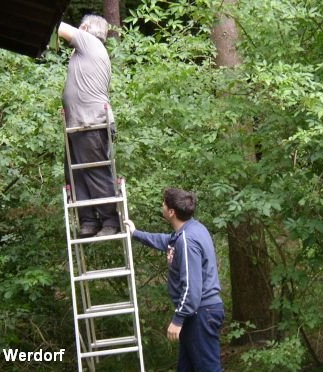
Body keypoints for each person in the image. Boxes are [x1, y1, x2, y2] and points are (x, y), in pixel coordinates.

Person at [125, 188, 224, 371]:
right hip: (197, 313)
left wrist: (178, 319)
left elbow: (192, 287)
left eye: (164, 203)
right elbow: (166, 241)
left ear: (171, 212)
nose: (161, 206)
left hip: (201, 313)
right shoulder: (189, 230)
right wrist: (135, 233)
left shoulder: (187, 240)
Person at [58, 15, 120, 238]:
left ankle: (111, 221)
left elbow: (58, 26)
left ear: (85, 28)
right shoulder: (89, 50)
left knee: (95, 172)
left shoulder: (90, 42)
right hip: (78, 123)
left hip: (90, 122)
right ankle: (88, 222)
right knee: (75, 176)